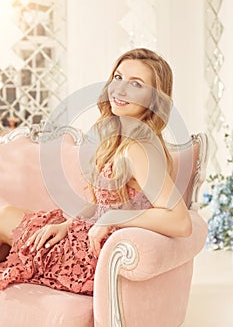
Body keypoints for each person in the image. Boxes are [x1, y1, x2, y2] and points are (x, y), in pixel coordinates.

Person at [0, 48, 192, 295]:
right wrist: (68, 225)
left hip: (88, 255)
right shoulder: (121, 137)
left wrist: (112, 219)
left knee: (4, 218)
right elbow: (104, 202)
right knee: (9, 217)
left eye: (136, 84)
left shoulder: (139, 149)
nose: (120, 90)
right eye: (118, 77)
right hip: (83, 234)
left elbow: (181, 221)